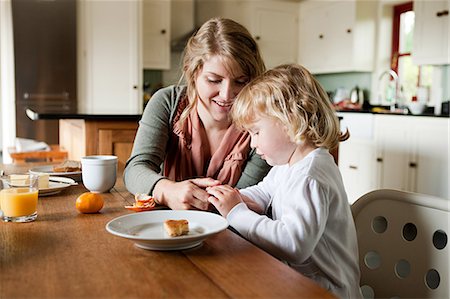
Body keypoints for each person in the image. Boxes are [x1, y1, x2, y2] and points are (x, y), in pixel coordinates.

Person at [206, 64, 362, 299]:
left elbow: (293, 245)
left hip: (328, 292)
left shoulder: (309, 176)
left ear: (290, 122)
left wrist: (236, 213)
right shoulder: (289, 165)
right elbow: (264, 192)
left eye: (256, 132)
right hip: (302, 284)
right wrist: (232, 197)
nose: (251, 143)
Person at [124, 17, 271, 210]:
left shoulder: (264, 124)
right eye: (214, 80)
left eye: (241, 81)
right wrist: (167, 191)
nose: (227, 95)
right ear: (192, 73)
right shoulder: (167, 102)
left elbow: (246, 199)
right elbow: (135, 169)